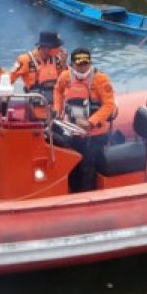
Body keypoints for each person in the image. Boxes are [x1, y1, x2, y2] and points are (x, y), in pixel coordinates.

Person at [52, 47, 117, 193]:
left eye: (85, 64)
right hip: (72, 130)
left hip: (94, 133)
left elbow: (109, 105)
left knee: (88, 167)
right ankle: (72, 192)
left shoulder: (101, 79)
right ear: (72, 64)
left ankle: (88, 196)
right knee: (72, 166)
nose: (83, 67)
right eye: (79, 64)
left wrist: (91, 122)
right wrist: (57, 110)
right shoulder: (65, 77)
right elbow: (57, 90)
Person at [8, 30, 68, 101]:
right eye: (56, 47)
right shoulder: (25, 60)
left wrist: (64, 63)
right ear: (45, 47)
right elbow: (8, 79)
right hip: (34, 107)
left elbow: (66, 83)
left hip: (55, 105)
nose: (59, 49)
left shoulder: (59, 60)